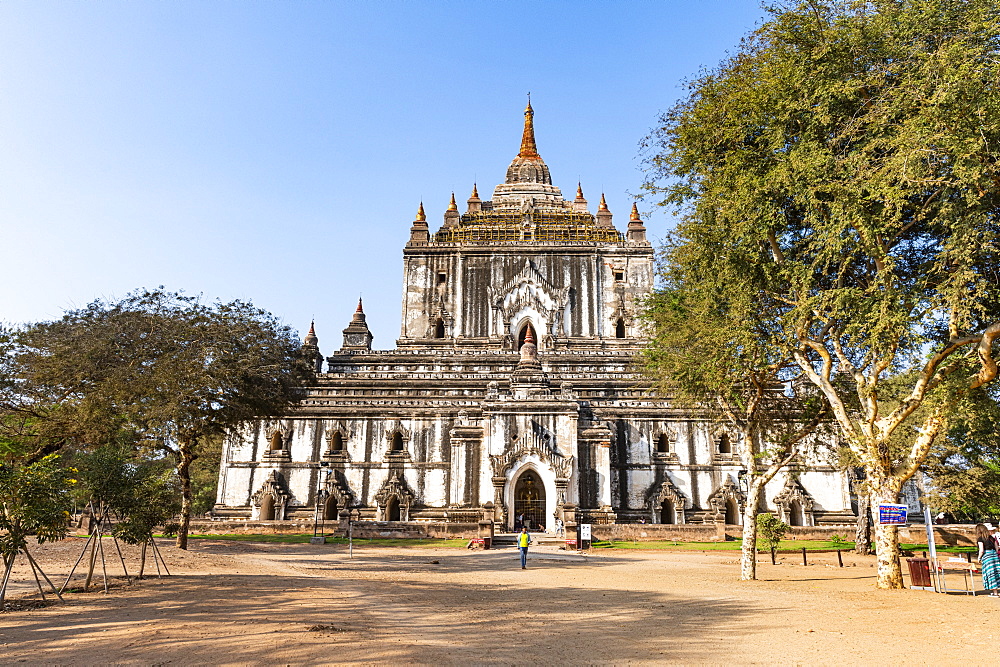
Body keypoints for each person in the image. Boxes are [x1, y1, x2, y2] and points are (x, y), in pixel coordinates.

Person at [975, 523, 1000, 597]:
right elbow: (997, 548)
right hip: (994, 555)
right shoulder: (992, 538)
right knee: (996, 573)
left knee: (990, 574)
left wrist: (979, 558)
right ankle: (995, 592)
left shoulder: (980, 538)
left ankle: (995, 593)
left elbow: (981, 550)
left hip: (987, 556)